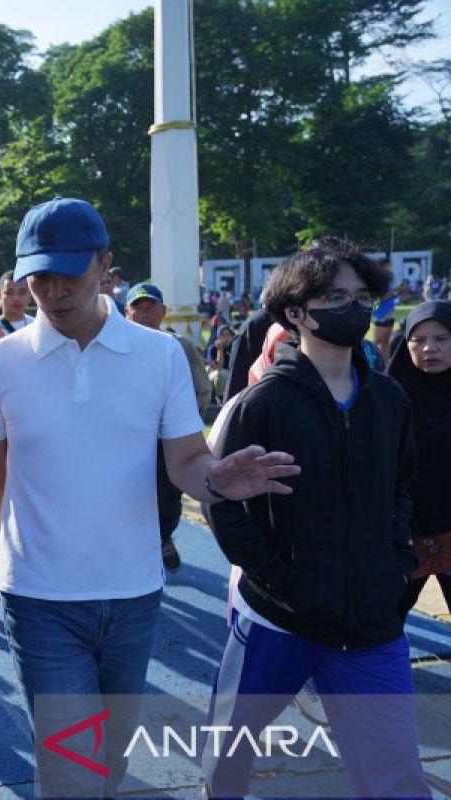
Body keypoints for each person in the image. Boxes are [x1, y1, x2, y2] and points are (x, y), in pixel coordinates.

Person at [0, 197, 297, 797]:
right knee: (72, 767)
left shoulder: (159, 354)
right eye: (38, 277)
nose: (53, 292)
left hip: (134, 596)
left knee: (108, 762)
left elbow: (187, 462)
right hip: (39, 597)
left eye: (68, 274)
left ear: (105, 266)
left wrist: (219, 481)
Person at [203, 237, 429, 799]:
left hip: (372, 626)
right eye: (335, 297)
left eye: (361, 296)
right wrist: (280, 577)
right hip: (278, 620)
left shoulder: (389, 401)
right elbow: (221, 504)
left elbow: (402, 489)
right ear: (295, 312)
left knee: (399, 779)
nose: (352, 307)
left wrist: (396, 564)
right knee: (227, 764)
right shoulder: (261, 405)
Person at [125, 282, 212, 573]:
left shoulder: (179, 346)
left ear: (163, 311)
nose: (145, 315)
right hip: (128, 439)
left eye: (151, 308)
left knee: (168, 498)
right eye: (138, 309)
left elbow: (202, 389)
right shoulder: (115, 348)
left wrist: (183, 425)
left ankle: (162, 538)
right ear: (127, 313)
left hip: (167, 441)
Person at [392, 300, 451, 615]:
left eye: (442, 339)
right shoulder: (386, 397)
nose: (430, 348)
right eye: (419, 340)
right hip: (403, 531)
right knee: (383, 621)